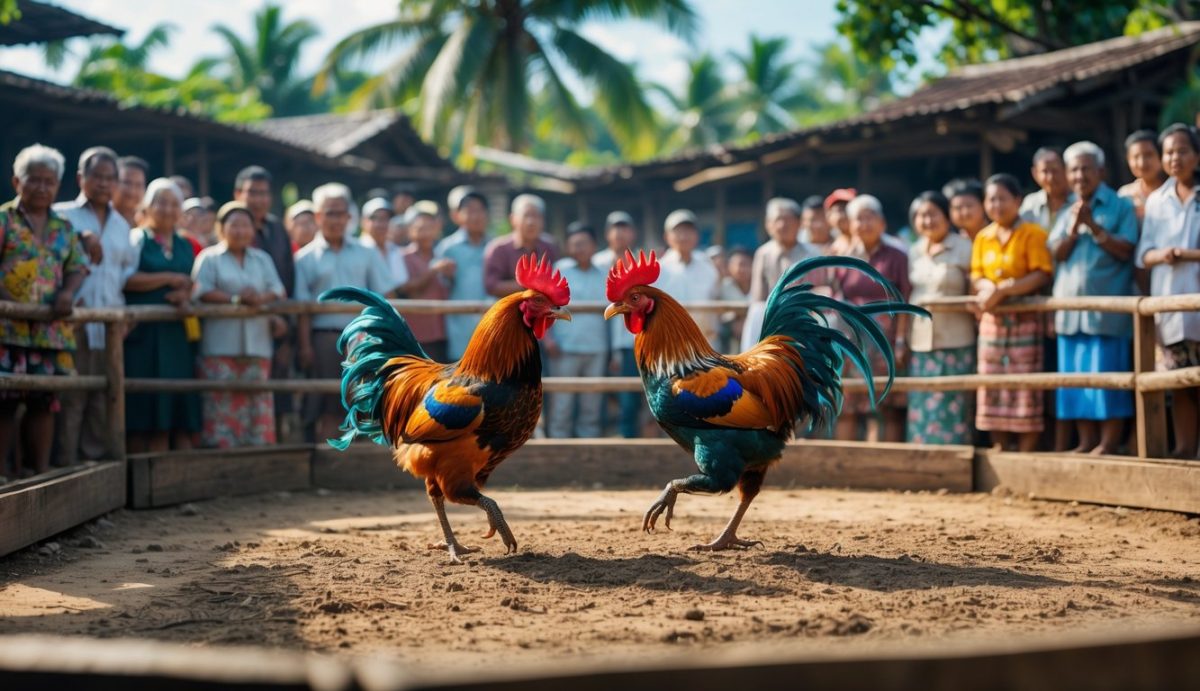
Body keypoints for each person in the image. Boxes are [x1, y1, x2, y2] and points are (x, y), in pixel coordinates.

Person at [0, 144, 85, 478]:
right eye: (33, 180)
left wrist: (67, 292)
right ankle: (2, 476)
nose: (41, 187)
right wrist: (9, 299)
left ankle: (40, 473)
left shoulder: (63, 228)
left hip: (50, 332)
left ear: (57, 186)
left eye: (49, 181)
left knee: (44, 402)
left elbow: (77, 266)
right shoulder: (4, 219)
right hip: (6, 329)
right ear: (16, 182)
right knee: (4, 401)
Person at [1049, 141, 1138, 455]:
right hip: (1070, 314)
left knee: (1107, 378)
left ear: (1100, 171)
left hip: (1107, 312)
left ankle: (1108, 443)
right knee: (1075, 381)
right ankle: (1086, 442)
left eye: (1086, 168)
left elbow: (1127, 250)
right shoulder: (1065, 210)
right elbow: (1056, 254)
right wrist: (1074, 227)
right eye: (1073, 169)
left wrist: (1094, 227)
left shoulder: (1120, 205)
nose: (1079, 175)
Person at [53, 146, 137, 465]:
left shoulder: (122, 227)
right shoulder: (62, 217)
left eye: (109, 178)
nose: (103, 183)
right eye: (96, 176)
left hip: (110, 326)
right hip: (71, 323)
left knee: (104, 399)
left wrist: (126, 316)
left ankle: (95, 471)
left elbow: (123, 276)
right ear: (80, 178)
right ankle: (64, 468)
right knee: (70, 399)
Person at [294, 183, 395, 442]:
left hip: (364, 338)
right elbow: (302, 308)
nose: (336, 220)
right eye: (330, 213)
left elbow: (385, 297)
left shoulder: (366, 252)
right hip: (325, 338)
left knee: (366, 402)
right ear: (318, 216)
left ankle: (360, 465)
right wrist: (305, 346)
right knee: (328, 403)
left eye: (341, 213)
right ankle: (328, 461)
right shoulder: (305, 259)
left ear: (350, 217)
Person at [192, 201, 285, 449]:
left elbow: (278, 290)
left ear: (253, 230)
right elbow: (200, 291)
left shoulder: (262, 259)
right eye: (234, 225)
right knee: (221, 406)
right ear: (221, 228)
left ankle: (257, 461)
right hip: (220, 344)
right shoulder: (209, 258)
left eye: (246, 225)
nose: (241, 231)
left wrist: (259, 299)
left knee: (256, 407)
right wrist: (235, 299)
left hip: (257, 343)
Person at [972, 173, 1054, 452]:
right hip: (993, 323)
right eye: (991, 199)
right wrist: (988, 288)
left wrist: (1005, 289)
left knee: (1024, 387)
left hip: (1025, 321)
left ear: (1018, 201)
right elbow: (977, 275)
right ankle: (1000, 449)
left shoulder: (1033, 234)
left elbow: (1042, 274)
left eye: (1002, 198)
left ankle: (1026, 451)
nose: (996, 205)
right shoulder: (984, 237)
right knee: (993, 383)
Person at [1135, 123, 1200, 459]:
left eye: (1183, 150)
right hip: (1171, 307)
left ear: (1196, 155)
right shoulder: (1158, 201)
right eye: (1169, 152)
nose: (1175, 158)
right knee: (1180, 383)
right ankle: (1185, 449)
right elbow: (1142, 254)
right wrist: (1161, 255)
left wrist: (1184, 255)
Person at [123, 178, 201, 453]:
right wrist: (169, 278)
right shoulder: (136, 239)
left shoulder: (186, 245)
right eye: (161, 202)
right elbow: (126, 280)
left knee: (175, 405)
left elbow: (195, 282)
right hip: (143, 335)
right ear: (148, 206)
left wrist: (185, 294)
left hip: (177, 336)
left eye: (174, 203)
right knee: (143, 406)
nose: (167, 209)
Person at [834, 195, 911, 443]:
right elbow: (835, 296)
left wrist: (901, 340)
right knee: (848, 403)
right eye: (859, 219)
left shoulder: (897, 256)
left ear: (882, 223)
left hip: (884, 341)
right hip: (851, 341)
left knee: (884, 406)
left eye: (870, 217)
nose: (864, 224)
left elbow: (904, 301)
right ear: (850, 224)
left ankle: (886, 467)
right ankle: (845, 465)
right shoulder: (841, 257)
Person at [906, 191, 975, 445]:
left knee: (954, 404)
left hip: (956, 339)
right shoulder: (913, 251)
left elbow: (974, 287)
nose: (927, 220)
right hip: (921, 340)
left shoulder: (964, 247)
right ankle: (922, 458)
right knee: (922, 403)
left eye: (933, 214)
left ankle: (954, 457)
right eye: (921, 215)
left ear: (947, 216)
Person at [233, 165, 294, 437]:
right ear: (238, 194)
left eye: (264, 193)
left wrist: (286, 328)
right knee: (237, 396)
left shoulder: (277, 229)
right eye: (252, 192)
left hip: (278, 327)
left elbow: (287, 281)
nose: (258, 199)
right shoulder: (229, 230)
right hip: (240, 329)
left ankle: (278, 447)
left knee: (278, 395)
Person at [548, 223, 606, 438]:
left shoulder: (604, 273)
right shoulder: (559, 270)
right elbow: (545, 306)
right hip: (564, 347)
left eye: (584, 243)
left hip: (597, 346)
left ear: (594, 246)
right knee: (562, 402)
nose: (579, 248)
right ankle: (558, 445)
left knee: (591, 403)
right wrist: (548, 340)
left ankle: (587, 448)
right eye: (574, 243)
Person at [593, 211, 641, 438]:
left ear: (633, 233)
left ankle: (630, 440)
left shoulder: (640, 263)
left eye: (624, 227)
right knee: (596, 395)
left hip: (630, 338)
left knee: (631, 396)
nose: (619, 233)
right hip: (597, 337)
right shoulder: (596, 262)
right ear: (607, 233)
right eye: (615, 227)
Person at [435, 188, 491, 361]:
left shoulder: (495, 246)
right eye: (470, 210)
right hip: (459, 326)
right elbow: (440, 287)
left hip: (491, 322)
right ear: (457, 215)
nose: (476, 216)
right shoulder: (447, 247)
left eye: (480, 210)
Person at [397, 202, 452, 361]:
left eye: (430, 228)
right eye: (421, 228)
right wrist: (433, 271)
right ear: (410, 231)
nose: (426, 233)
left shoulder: (442, 255)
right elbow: (407, 289)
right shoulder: (402, 257)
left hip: (442, 332)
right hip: (416, 333)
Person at [657, 209, 721, 348]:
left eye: (688, 231)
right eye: (678, 231)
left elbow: (716, 298)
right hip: (671, 344)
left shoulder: (707, 267)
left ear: (696, 236)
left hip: (705, 343)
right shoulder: (659, 270)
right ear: (667, 236)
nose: (683, 236)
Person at [483, 194, 558, 297]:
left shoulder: (550, 247)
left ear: (543, 221)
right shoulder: (499, 249)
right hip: (510, 310)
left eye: (536, 216)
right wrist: (529, 284)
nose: (530, 222)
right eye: (526, 215)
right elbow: (491, 286)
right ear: (513, 219)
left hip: (543, 311)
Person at [750, 197, 818, 301]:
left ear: (799, 223)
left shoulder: (812, 253)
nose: (782, 225)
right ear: (768, 225)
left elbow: (819, 290)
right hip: (772, 315)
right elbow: (758, 297)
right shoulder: (763, 254)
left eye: (787, 219)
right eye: (778, 219)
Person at [359, 196, 409, 290]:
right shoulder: (358, 249)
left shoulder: (394, 249)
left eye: (386, 218)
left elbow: (402, 284)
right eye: (375, 218)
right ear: (363, 221)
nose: (380, 223)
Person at [1117, 129, 1167, 223]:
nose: (1142, 163)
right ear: (1128, 160)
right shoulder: (1125, 195)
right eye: (1136, 157)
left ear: (1161, 156)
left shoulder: (1173, 192)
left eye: (1148, 155)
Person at [1020, 147, 1070, 231]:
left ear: (1065, 170)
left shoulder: (1079, 201)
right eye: (1045, 171)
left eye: (1055, 171)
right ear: (1035, 174)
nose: (1050, 178)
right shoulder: (1031, 203)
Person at [718, 246, 753, 353]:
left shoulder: (760, 285)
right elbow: (721, 315)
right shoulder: (724, 286)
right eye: (735, 265)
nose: (740, 269)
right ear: (729, 267)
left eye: (744, 264)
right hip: (731, 335)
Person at [113, 156, 148, 227]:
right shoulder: (101, 216)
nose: (132, 191)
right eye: (127, 183)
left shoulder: (149, 224)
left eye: (138, 185)